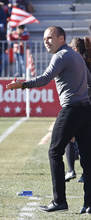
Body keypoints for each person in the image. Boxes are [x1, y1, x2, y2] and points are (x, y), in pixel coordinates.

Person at [6, 26, 91, 214]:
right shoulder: (76, 55)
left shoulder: (60, 56)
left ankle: (59, 201)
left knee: (54, 152)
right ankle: (89, 203)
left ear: (62, 38)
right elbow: (90, 81)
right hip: (86, 110)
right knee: (87, 158)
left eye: (49, 38)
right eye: (44, 38)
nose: (46, 41)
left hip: (71, 109)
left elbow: (45, 79)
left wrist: (22, 85)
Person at [64, 36, 91, 184]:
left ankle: (71, 170)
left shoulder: (79, 63)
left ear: (75, 49)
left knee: (70, 137)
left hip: (81, 104)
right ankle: (83, 174)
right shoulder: (86, 61)